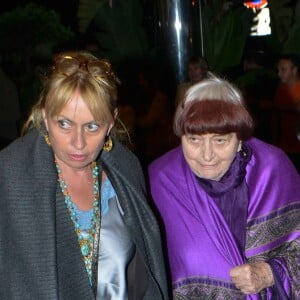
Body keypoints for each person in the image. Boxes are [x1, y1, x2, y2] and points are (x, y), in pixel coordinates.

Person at [0, 51, 168, 299]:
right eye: (64, 124)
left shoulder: (126, 173)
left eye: (92, 126)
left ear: (110, 123)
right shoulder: (11, 176)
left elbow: (145, 279)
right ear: (45, 117)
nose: (78, 143)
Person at [148, 74, 300, 299]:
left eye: (220, 140)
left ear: (239, 138)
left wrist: (270, 273)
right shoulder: (160, 182)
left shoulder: (274, 170)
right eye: (194, 140)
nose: (207, 155)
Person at [272, 53, 300, 171]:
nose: (279, 74)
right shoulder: (281, 89)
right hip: (283, 147)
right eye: (278, 70)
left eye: (283, 70)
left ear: (294, 70)